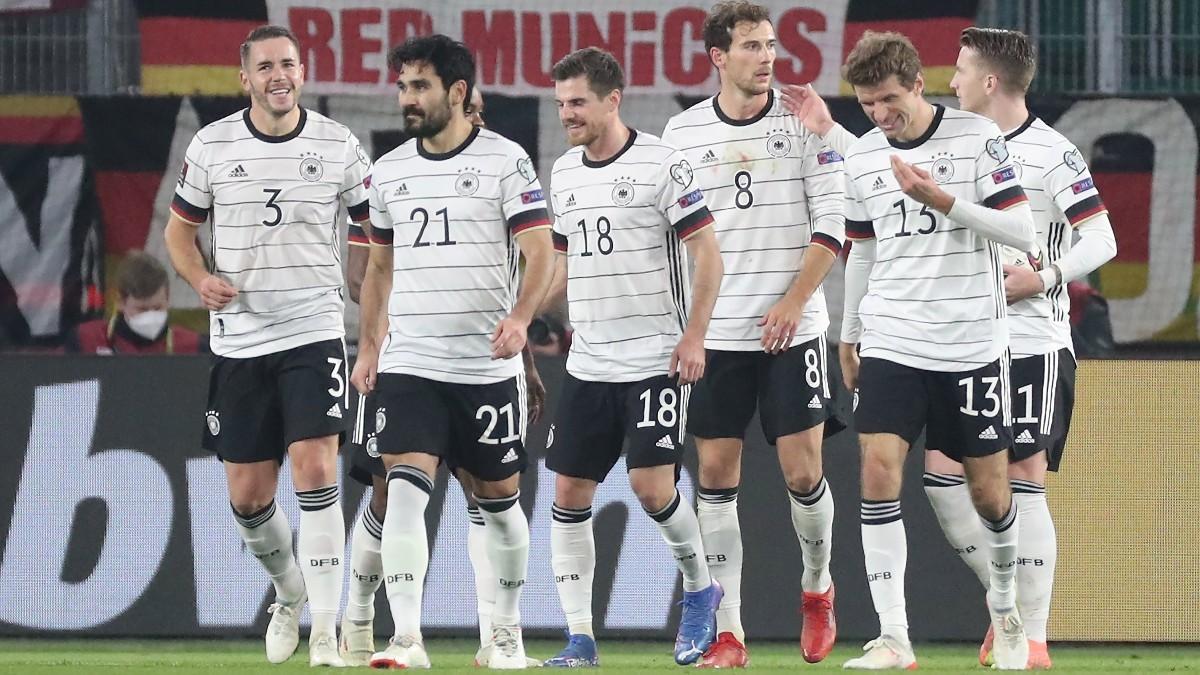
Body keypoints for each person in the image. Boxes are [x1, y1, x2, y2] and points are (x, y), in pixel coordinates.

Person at [163, 25, 370, 667]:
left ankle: (328, 633)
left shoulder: (338, 145)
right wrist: (199, 278)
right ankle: (290, 591)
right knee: (249, 498)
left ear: (301, 72)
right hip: (241, 341)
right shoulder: (212, 144)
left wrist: (364, 282)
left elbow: (372, 226)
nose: (279, 75)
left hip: (314, 331)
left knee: (316, 465)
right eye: (266, 67)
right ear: (244, 78)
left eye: (289, 64)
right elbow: (178, 233)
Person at [350, 34, 555, 669]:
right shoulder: (388, 171)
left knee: (501, 510)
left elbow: (542, 251)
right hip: (412, 363)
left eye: (420, 87)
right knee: (404, 493)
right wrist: (369, 348)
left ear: (458, 92)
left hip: (485, 369)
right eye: (403, 86)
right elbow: (378, 269)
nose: (407, 99)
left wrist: (522, 318)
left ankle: (506, 630)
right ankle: (406, 637)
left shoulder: (506, 161)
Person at [835, 31, 1037, 670]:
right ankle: (894, 638)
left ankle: (1005, 608)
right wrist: (850, 331)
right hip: (893, 337)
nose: (880, 115)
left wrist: (944, 201)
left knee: (988, 493)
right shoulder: (864, 158)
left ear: (920, 85)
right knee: (876, 471)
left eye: (889, 100)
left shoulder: (978, 139)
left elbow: (1022, 230)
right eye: (868, 104)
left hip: (971, 343)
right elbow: (862, 249)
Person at [921, 27, 1116, 670]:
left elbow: (1101, 238)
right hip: (968, 343)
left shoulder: (1053, 154)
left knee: (1022, 475)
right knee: (944, 475)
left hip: (1033, 341)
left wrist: (1048, 275)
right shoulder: (955, 144)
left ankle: (1030, 636)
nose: (953, 81)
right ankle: (1005, 605)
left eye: (961, 69)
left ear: (991, 81)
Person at [659, 1, 845, 667]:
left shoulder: (805, 125)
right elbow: (670, 241)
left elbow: (834, 223)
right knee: (713, 472)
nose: (767, 57)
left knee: (803, 472)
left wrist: (796, 300)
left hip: (794, 332)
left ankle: (817, 589)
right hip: (716, 338)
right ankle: (730, 632)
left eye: (771, 45)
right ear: (717, 57)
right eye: (751, 46)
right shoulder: (679, 136)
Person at [542, 47, 725, 668]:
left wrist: (695, 335)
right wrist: (521, 313)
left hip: (654, 359)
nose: (568, 113)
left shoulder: (661, 164)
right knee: (567, 492)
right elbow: (562, 263)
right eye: (561, 102)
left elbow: (708, 255)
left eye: (578, 102)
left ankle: (701, 591)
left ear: (612, 99)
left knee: (652, 488)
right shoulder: (563, 172)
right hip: (588, 362)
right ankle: (580, 639)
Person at [67, 251, 205, 354]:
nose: (151, 316)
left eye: (157, 308)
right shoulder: (86, 339)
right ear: (120, 302)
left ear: (168, 298)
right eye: (142, 309)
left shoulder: (194, 346)